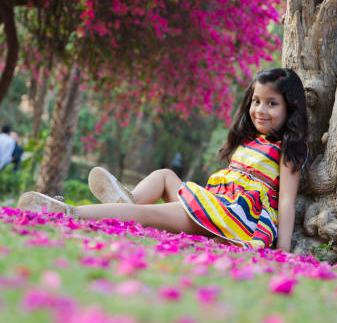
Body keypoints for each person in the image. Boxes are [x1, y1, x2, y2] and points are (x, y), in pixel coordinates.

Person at [17, 68, 308, 252]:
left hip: (236, 218)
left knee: (151, 216)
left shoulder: (287, 148)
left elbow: (285, 200)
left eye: (272, 103)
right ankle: (127, 200)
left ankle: (70, 213)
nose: (260, 109)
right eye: (256, 101)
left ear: (289, 108)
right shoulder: (250, 140)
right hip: (217, 204)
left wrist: (282, 250)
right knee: (165, 175)